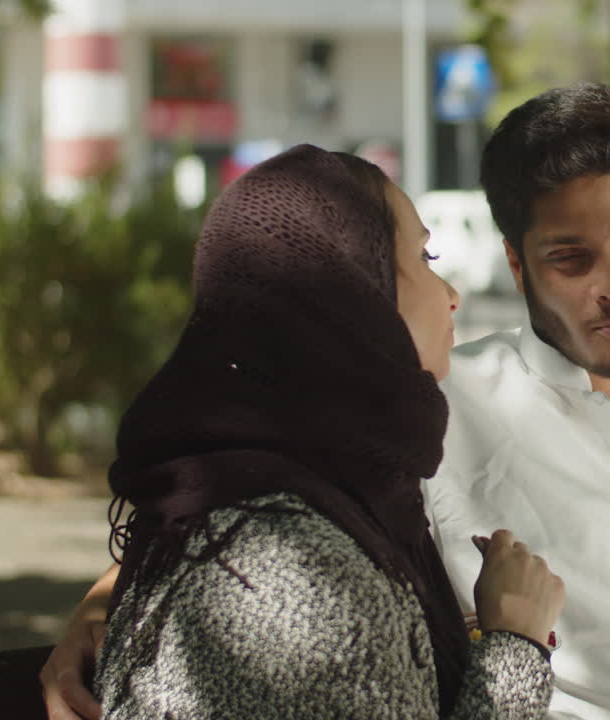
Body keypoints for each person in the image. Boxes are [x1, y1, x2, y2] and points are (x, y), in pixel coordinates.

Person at [43, 85, 610, 720]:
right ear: (515, 262)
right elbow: (266, 496)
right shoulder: (439, 401)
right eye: (570, 257)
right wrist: (99, 604)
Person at [84, 144, 564, 719]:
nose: (453, 294)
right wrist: (516, 645)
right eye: (425, 256)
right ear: (353, 293)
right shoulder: (301, 579)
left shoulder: (312, 491)